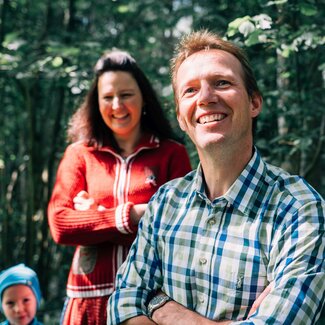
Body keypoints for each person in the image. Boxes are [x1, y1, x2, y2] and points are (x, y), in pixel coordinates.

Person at [106, 30, 325, 324]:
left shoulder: (300, 209)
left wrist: (163, 306)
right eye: (191, 90)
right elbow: (123, 303)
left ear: (254, 103)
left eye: (222, 83)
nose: (206, 98)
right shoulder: (165, 203)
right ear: (182, 118)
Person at [47, 49, 192, 325]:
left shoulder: (172, 154)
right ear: (96, 103)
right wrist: (135, 216)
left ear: (143, 98)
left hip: (149, 306)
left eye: (126, 95)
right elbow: (61, 224)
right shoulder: (79, 155)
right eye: (108, 97)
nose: (117, 106)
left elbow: (178, 235)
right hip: (87, 303)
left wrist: (96, 216)